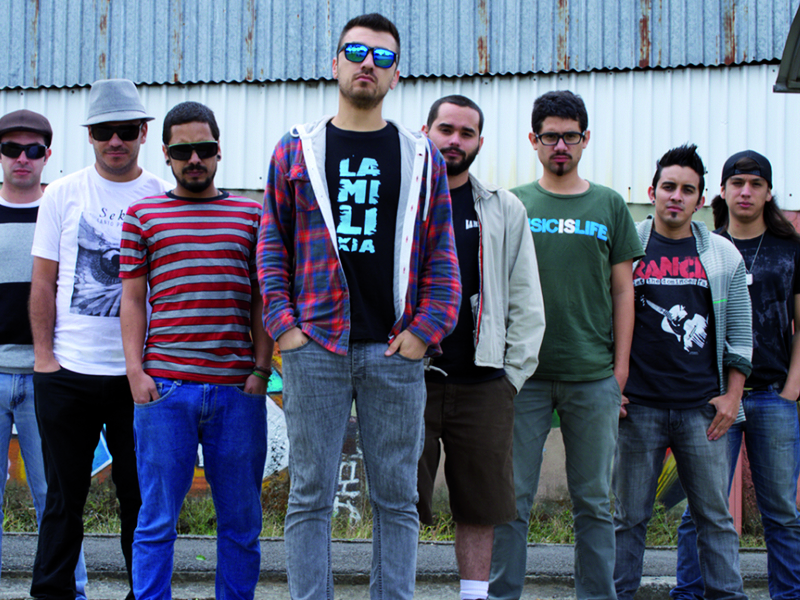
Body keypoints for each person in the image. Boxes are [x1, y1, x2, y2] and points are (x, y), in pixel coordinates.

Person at [258, 12, 460, 600]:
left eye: (382, 56)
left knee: (397, 498)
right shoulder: (296, 149)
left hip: (394, 349)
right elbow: (271, 246)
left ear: (396, 75)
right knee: (309, 496)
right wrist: (284, 328)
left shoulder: (422, 156)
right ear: (335, 64)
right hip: (314, 347)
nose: (368, 63)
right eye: (355, 51)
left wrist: (424, 332)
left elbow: (442, 256)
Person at [489, 90, 644, 600]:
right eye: (551, 136)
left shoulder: (609, 204)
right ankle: (502, 595)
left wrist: (619, 372)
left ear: (585, 139)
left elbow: (623, 291)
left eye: (570, 136)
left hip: (593, 376)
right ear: (533, 140)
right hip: (523, 378)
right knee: (512, 499)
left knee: (595, 502)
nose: (561, 145)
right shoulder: (511, 203)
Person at [119, 100, 272, 600]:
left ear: (218, 150)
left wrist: (260, 370)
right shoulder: (142, 216)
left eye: (204, 149)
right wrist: (135, 372)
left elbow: (263, 297)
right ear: (165, 153)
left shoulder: (252, 215)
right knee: (156, 520)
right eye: (182, 151)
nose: (194, 159)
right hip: (165, 391)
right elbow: (132, 298)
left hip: (237, 393)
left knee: (242, 522)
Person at [29, 79, 170, 600]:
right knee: (63, 499)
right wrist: (45, 359)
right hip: (68, 373)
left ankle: (144, 594)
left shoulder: (162, 195)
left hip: (140, 377)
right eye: (104, 131)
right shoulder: (62, 194)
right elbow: (43, 282)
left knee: (140, 498)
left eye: (126, 130)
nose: (115, 141)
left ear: (143, 133)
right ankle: (52, 594)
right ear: (89, 135)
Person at [417, 95, 545, 600]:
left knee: (481, 507)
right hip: (410, 379)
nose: (454, 141)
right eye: (445, 129)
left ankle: (474, 597)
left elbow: (526, 298)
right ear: (425, 132)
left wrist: (510, 378)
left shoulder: (502, 207)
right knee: (400, 502)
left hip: (484, 383)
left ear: (479, 142)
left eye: (466, 133)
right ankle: (394, 589)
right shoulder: (403, 199)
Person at [613, 144, 751, 600]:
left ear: (700, 199)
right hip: (638, 407)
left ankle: (727, 596)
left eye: (687, 190)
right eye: (668, 187)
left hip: (701, 410)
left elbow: (740, 333)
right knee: (628, 518)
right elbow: (603, 320)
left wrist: (732, 397)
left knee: (714, 518)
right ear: (652, 191)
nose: (676, 196)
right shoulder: (626, 246)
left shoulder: (723, 255)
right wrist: (612, 387)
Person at [673, 150, 800, 600]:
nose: (746, 192)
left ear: (768, 193)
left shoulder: (790, 249)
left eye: (755, 184)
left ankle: (788, 594)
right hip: (714, 398)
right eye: (737, 183)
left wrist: (790, 391)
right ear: (722, 192)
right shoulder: (703, 247)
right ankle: (689, 592)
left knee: (781, 512)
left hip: (771, 395)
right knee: (700, 509)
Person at [0, 110, 88, 596]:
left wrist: (51, 362)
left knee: (56, 497)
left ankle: (72, 590)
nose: (22, 158)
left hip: (47, 375)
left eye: (33, 150)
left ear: (47, 155)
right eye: (12, 149)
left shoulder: (61, 210)